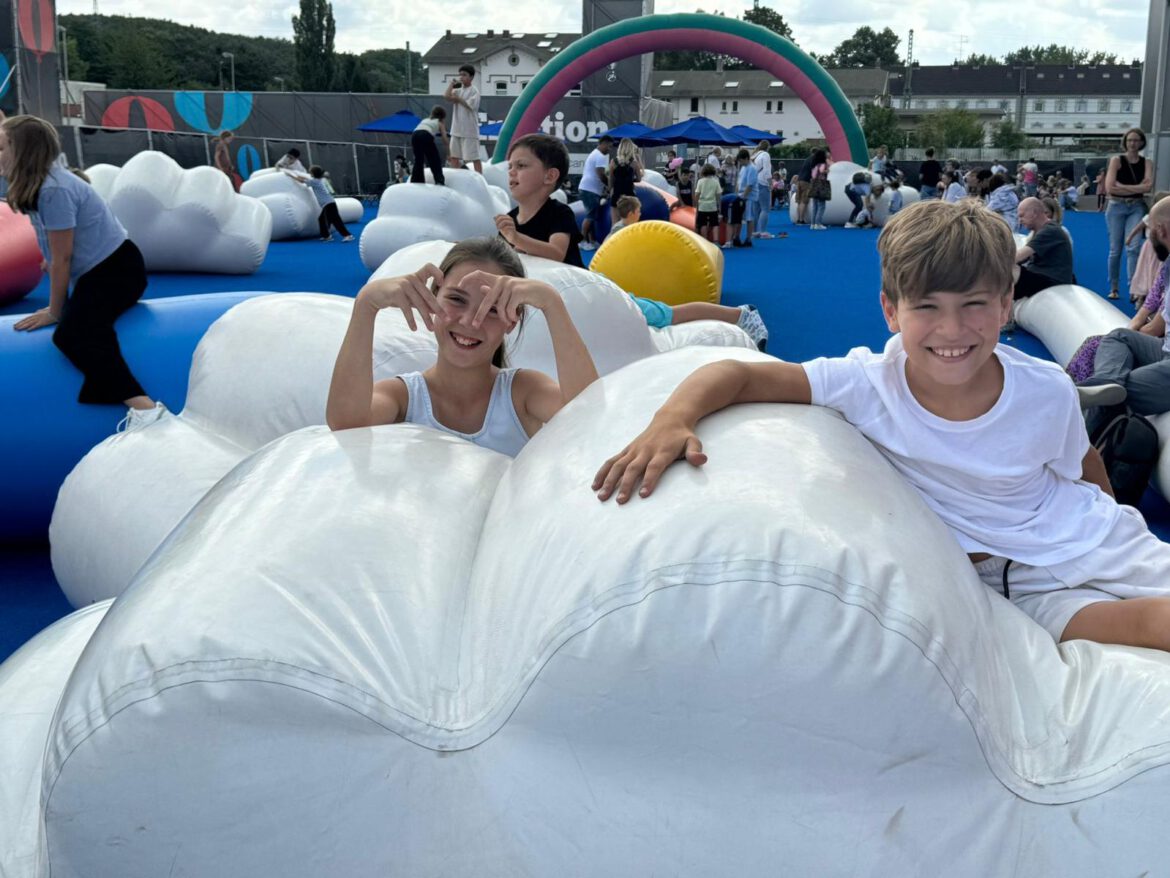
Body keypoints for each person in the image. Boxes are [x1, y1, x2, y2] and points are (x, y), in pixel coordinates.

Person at [593, 198, 1170, 653]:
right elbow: (737, 374)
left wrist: (1111, 526)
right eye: (927, 307)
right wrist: (671, 419)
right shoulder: (866, 381)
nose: (952, 330)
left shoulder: (1043, 389)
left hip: (1095, 539)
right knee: (1147, 627)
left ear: (1005, 305)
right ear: (890, 311)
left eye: (974, 305)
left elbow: (1084, 465)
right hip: (1015, 584)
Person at [326, 237, 597, 456]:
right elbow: (348, 424)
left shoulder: (522, 392)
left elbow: (590, 417)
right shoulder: (404, 398)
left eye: (492, 309)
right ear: (430, 300)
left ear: (512, 321)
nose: (470, 321)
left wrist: (552, 303)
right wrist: (365, 306)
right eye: (456, 299)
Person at [1, 115, 164, 429]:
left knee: (73, 334)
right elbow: (58, 250)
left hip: (118, 270)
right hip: (100, 269)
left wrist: (54, 309)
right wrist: (51, 261)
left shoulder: (53, 190)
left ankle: (146, 409)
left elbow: (63, 259)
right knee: (79, 328)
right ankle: (117, 398)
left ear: (22, 151)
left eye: (1, 147)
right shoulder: (40, 184)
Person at [1078, 197, 1170, 438]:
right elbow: (1153, 307)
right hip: (1164, 349)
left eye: (1150, 230)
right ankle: (1106, 384)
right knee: (1119, 337)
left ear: (1161, 230)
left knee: (1115, 395)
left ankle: (1075, 460)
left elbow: (1157, 322)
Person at [495, 133, 585, 267]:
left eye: (521, 165)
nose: (511, 172)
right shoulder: (510, 220)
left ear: (550, 176)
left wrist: (516, 239)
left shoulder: (559, 213)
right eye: (510, 166)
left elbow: (557, 253)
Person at [1105, 128, 1156, 301]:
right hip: (1116, 207)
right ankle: (1114, 287)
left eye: (1136, 140)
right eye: (1129, 140)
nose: (1132, 144)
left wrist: (1123, 187)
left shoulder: (1147, 163)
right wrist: (1137, 188)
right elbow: (1110, 188)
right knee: (1115, 250)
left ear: (1142, 142)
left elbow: (1148, 187)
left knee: (1133, 248)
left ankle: (1134, 288)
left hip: (1136, 207)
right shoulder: (1116, 160)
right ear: (1125, 142)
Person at [1014, 197, 1074, 298]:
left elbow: (1017, 257)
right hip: (1044, 277)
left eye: (1022, 216)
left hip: (1052, 282)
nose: (1020, 221)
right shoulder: (1043, 230)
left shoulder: (1050, 231)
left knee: (1009, 271)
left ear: (1034, 213)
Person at [285, 165, 355, 242]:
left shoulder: (314, 182)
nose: (309, 172)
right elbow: (305, 179)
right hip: (329, 203)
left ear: (313, 173)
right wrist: (297, 175)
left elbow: (301, 180)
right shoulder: (318, 180)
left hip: (328, 204)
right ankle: (327, 236)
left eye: (310, 171)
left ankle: (347, 235)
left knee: (335, 220)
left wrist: (291, 175)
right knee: (322, 219)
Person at [445, 64, 482, 174]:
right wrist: (451, 84)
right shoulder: (458, 90)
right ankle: (456, 177)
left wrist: (458, 99)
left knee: (474, 157)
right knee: (454, 157)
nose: (461, 77)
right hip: (456, 129)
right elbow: (446, 96)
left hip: (469, 131)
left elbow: (469, 105)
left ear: (471, 77)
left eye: (464, 75)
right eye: (460, 75)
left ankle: (480, 178)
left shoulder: (474, 91)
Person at [578, 134, 612, 251]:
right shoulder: (601, 156)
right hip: (590, 190)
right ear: (603, 143)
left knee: (592, 216)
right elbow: (600, 174)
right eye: (608, 146)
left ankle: (591, 241)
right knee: (590, 216)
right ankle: (582, 241)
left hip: (588, 188)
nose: (609, 149)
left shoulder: (594, 154)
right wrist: (609, 186)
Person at [410, 106, 450, 185]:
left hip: (414, 134)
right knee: (434, 159)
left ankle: (416, 181)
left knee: (419, 160)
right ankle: (439, 180)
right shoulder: (439, 122)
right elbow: (444, 138)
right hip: (425, 134)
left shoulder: (425, 120)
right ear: (442, 116)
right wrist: (449, 152)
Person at [609, 138, 643, 226]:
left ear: (620, 148)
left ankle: (614, 239)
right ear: (631, 149)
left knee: (615, 223)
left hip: (617, 193)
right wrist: (631, 179)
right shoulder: (634, 163)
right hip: (630, 194)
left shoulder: (613, 162)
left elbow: (611, 180)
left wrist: (610, 192)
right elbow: (639, 179)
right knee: (631, 223)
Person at [734, 148, 759, 247]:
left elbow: (750, 185)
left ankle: (748, 238)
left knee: (749, 218)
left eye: (741, 160)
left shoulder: (752, 168)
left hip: (749, 197)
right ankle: (737, 237)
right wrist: (736, 195)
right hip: (741, 195)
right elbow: (739, 182)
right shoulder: (743, 167)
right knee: (739, 218)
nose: (740, 162)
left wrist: (743, 197)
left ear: (746, 158)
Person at [694, 163, 722, 245]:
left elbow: (697, 194)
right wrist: (719, 206)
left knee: (703, 224)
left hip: (702, 206)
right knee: (715, 224)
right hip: (712, 206)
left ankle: (704, 241)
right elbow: (718, 195)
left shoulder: (700, 181)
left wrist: (696, 205)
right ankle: (716, 241)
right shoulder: (715, 182)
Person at [751, 140, 774, 239]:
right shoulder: (765, 155)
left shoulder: (755, 155)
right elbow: (767, 171)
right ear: (768, 147)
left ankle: (755, 231)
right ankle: (763, 231)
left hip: (754, 183)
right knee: (765, 209)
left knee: (756, 209)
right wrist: (770, 183)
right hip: (762, 183)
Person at [807, 148, 830, 231]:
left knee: (815, 205)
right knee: (821, 205)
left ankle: (813, 224)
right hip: (821, 184)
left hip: (813, 183)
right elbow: (822, 171)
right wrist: (827, 170)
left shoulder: (813, 164)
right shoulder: (822, 164)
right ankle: (818, 223)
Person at [793, 148, 815, 225]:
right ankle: (801, 219)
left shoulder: (807, 159)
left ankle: (798, 219)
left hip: (799, 180)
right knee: (804, 201)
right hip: (806, 181)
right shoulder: (814, 160)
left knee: (799, 201)